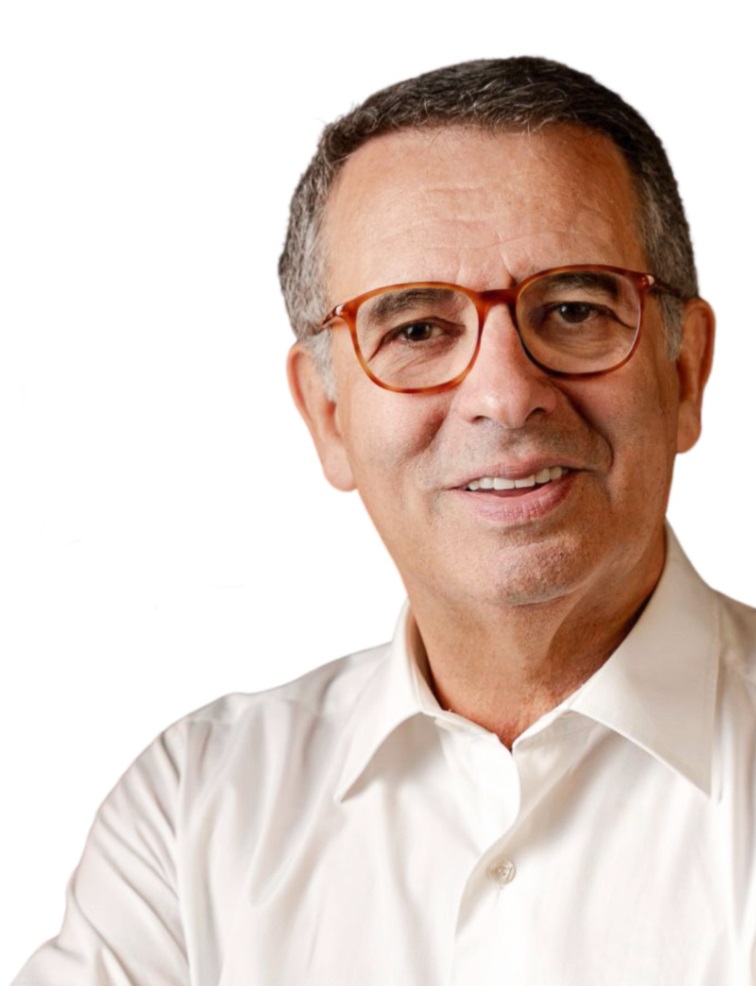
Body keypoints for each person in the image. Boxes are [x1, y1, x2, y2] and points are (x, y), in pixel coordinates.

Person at [13, 56, 755, 985]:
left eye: (573, 309)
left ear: (685, 374)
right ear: (328, 416)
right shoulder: (191, 814)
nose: (505, 395)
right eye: (417, 330)